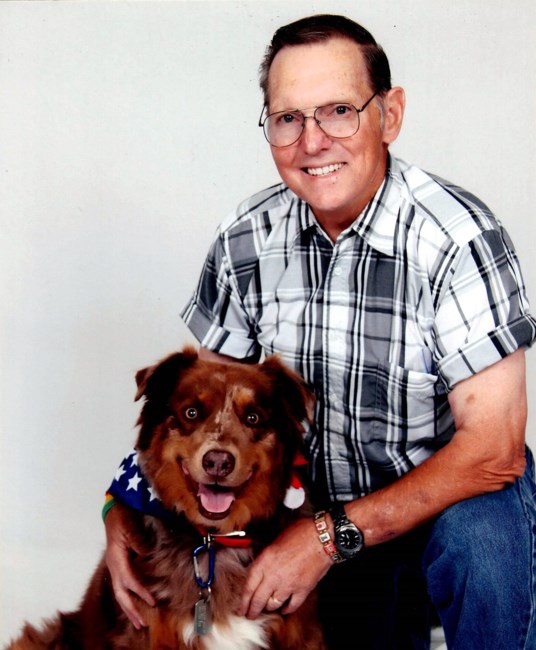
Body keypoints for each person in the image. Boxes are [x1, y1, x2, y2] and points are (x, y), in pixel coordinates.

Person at [104, 14, 536, 649]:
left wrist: (329, 537)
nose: (312, 142)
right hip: (311, 516)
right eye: (288, 118)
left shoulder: (458, 240)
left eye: (338, 111)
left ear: (389, 114)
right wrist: (119, 505)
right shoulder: (245, 239)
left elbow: (494, 450)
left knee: (484, 536)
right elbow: (203, 407)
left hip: (433, 512)